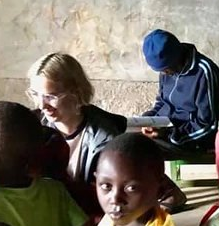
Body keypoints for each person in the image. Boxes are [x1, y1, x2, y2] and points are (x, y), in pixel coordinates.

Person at [27, 52, 186, 217]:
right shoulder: (31, 126)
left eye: (51, 96)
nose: (41, 105)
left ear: (76, 91)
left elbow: (170, 196)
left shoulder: (106, 138)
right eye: (35, 94)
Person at [141, 29, 219, 156]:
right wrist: (147, 120)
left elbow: (207, 125)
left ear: (176, 56)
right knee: (121, 141)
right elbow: (162, 103)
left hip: (188, 139)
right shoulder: (167, 70)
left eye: (165, 69)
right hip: (165, 133)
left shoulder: (204, 72)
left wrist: (170, 135)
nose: (164, 73)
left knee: (138, 151)